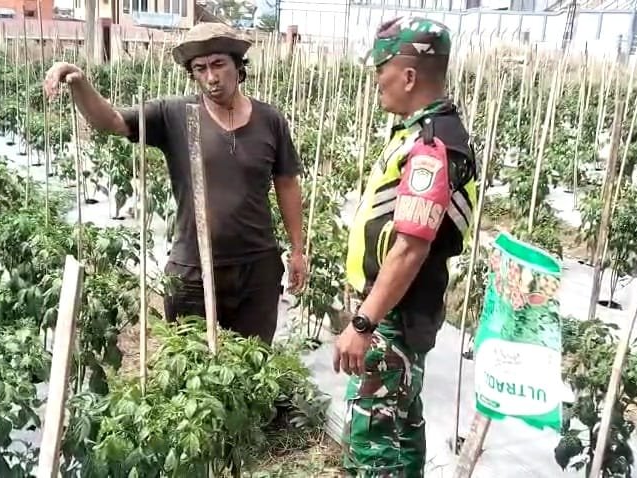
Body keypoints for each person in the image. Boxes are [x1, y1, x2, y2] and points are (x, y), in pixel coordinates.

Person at [42, 23, 307, 346]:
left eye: (219, 64)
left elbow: (287, 183)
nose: (211, 77)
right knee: (189, 361)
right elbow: (111, 121)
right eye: (200, 69)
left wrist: (297, 249)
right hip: (193, 269)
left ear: (238, 66)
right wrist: (80, 82)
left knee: (253, 362)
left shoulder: (269, 120)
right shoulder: (174, 114)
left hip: (257, 270)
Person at [333, 17, 478, 477]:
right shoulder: (422, 134)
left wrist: (364, 322)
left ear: (409, 76)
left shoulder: (432, 146)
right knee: (401, 434)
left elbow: (410, 248)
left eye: (382, 71)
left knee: (375, 448)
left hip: (392, 319)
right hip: (397, 313)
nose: (378, 82)